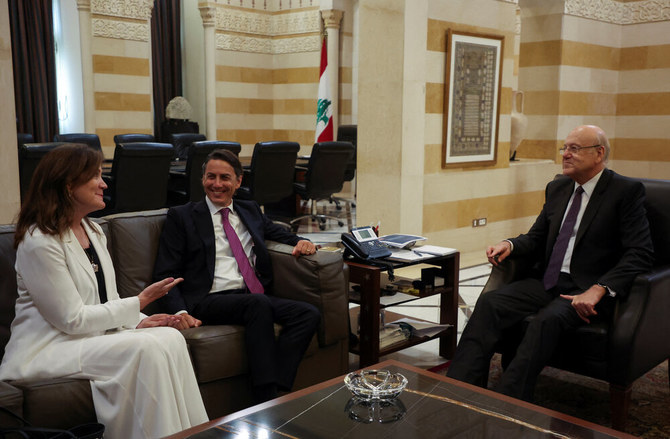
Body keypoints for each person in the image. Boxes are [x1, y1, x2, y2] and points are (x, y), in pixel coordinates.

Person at [0, 145, 208, 439]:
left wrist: (137, 320)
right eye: (95, 177)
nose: (104, 184)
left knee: (171, 337)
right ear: (68, 185)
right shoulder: (39, 241)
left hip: (88, 339)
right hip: (48, 348)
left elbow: (105, 301)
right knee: (146, 348)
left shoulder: (94, 231)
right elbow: (71, 320)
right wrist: (141, 301)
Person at [447, 125, 654, 401]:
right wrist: (510, 244)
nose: (565, 154)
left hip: (585, 289)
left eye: (574, 148)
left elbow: (640, 252)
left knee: (546, 321)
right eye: (565, 148)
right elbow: (537, 237)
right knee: (490, 303)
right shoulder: (558, 188)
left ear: (599, 153)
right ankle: (458, 392)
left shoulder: (624, 192)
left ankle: (507, 403)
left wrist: (599, 288)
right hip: (548, 280)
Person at [152, 149, 321, 403]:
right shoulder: (183, 216)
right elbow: (165, 272)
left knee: (308, 314)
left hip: (249, 296)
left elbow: (279, 233)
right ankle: (264, 398)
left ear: (238, 181)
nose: (217, 184)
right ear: (202, 179)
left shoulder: (250, 210)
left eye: (224, 178)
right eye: (211, 177)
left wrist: (303, 241)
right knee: (258, 303)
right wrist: (179, 312)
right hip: (208, 298)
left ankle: (278, 384)